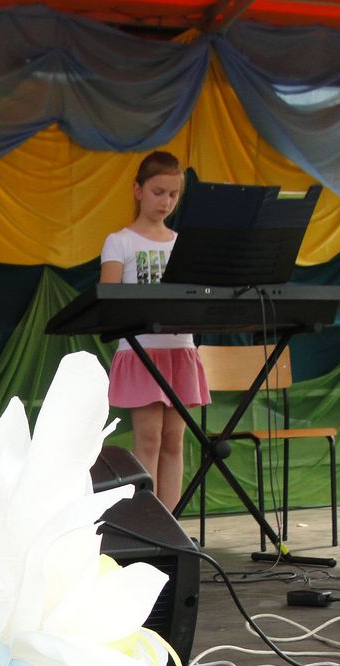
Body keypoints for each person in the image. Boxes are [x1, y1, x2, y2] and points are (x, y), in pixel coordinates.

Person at [99, 150, 209, 513]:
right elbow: (108, 298)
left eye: (173, 195)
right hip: (141, 351)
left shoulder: (182, 243)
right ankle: (148, 520)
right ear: (138, 190)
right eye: (158, 192)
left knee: (174, 442)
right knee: (149, 440)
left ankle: (170, 522)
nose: (166, 202)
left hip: (179, 349)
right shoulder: (120, 241)